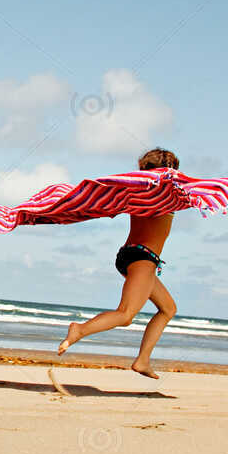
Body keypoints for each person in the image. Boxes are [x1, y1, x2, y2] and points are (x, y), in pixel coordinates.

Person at [56, 148, 181, 378]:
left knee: (168, 308)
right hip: (142, 258)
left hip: (131, 255)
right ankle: (79, 330)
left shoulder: (137, 192)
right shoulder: (168, 195)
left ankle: (142, 361)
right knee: (125, 315)